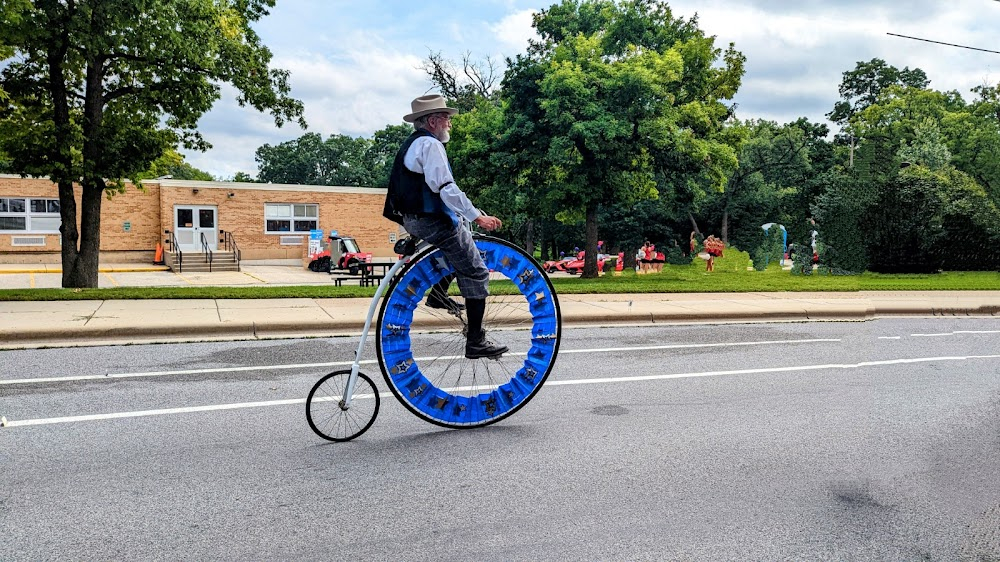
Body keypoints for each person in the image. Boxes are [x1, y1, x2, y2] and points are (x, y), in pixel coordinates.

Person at [383, 94, 507, 359]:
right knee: (476, 271)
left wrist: (470, 216)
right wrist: (477, 218)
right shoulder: (430, 145)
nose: (449, 124)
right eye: (446, 119)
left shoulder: (412, 144)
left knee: (462, 246)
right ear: (432, 121)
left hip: (415, 220)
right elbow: (445, 188)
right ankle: (476, 341)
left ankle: (439, 294)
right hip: (432, 221)